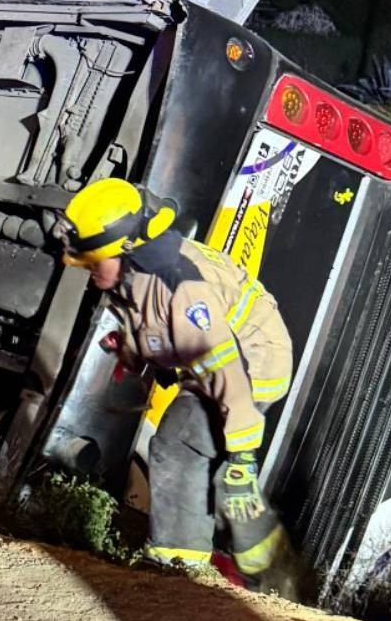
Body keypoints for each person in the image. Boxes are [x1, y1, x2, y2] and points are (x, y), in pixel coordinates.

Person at [58, 177, 300, 594]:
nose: (88, 269)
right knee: (213, 470)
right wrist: (131, 350)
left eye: (93, 261)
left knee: (180, 444)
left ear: (126, 249)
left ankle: (179, 573)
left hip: (252, 364)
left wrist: (244, 456)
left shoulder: (180, 285)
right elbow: (155, 326)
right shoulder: (132, 272)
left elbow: (228, 371)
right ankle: (269, 571)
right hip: (220, 365)